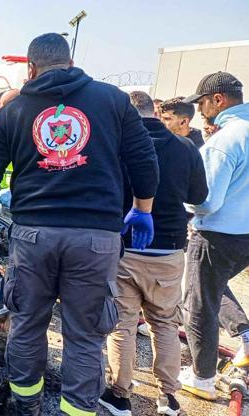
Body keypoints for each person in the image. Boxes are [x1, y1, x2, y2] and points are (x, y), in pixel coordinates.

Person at [0, 33, 158, 415]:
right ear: (71, 63)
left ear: (31, 68)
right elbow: (145, 162)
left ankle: (26, 407)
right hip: (95, 239)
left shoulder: (13, 111)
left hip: (33, 236)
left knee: (26, 325)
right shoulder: (113, 100)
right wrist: (143, 209)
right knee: (85, 338)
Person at [100, 91, 208, 416]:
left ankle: (119, 395)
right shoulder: (186, 147)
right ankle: (169, 398)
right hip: (169, 250)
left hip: (125, 249)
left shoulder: (118, 146)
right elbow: (199, 195)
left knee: (122, 324)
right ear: (156, 111)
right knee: (164, 323)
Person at [179, 71, 249, 400]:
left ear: (218, 99)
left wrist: (180, 200)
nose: (201, 110)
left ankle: (202, 377)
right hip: (245, 235)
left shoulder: (226, 139)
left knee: (199, 305)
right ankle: (245, 339)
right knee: (214, 289)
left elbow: (206, 200)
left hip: (216, 235)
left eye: (203, 102)